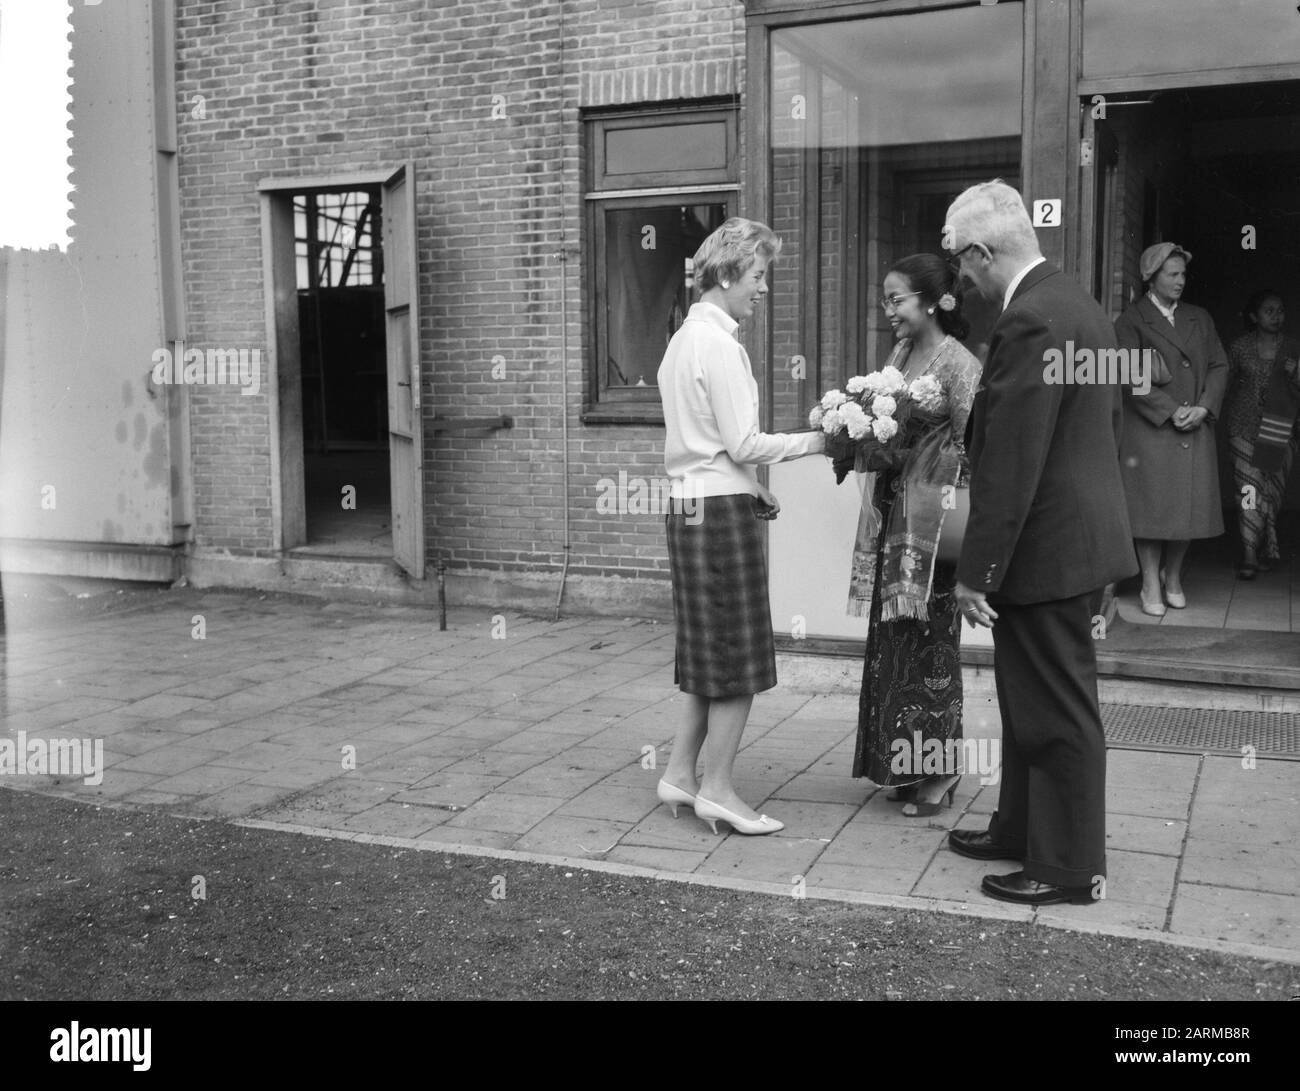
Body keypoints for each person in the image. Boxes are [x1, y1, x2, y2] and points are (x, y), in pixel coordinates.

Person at [944, 180, 1137, 906]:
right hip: (1074, 537)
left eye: (959, 262)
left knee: (1056, 710)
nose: (958, 279)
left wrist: (976, 573)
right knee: (1029, 700)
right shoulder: (1079, 305)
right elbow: (1100, 434)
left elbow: (1013, 461)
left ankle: (1065, 867)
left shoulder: (1028, 320)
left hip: (1046, 547)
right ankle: (1020, 827)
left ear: (981, 252)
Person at [656, 217, 825, 836]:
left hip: (689, 504)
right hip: (720, 516)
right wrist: (821, 439)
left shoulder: (681, 340)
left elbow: (699, 444)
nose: (762, 289)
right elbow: (743, 440)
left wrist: (747, 482)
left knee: (707, 652)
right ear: (727, 273)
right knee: (739, 659)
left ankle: (679, 772)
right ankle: (720, 789)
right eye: (757, 276)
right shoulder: (720, 345)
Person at [846, 254, 980, 816]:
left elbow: (978, 447)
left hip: (935, 525)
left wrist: (931, 466)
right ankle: (902, 764)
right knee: (894, 646)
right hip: (895, 519)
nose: (888, 311)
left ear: (932, 301)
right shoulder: (900, 356)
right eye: (885, 300)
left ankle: (940, 771)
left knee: (931, 649)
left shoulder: (961, 364)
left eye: (896, 299)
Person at [1114, 244, 1227, 615]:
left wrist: (1205, 407)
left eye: (1183, 274)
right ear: (1151, 276)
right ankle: (1150, 582)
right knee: (1152, 511)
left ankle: (1173, 577)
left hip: (1194, 425)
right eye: (1172, 274)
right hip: (1153, 429)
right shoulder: (1131, 320)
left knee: (1187, 510)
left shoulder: (1200, 317)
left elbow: (1218, 366)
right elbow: (1129, 376)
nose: (1180, 281)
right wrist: (1171, 410)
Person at [1224, 289, 1300, 578]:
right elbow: (1224, 382)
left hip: (1281, 431)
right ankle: (1249, 553)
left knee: (1271, 494)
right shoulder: (1239, 347)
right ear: (1254, 316)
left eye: (1280, 310)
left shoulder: (1294, 348)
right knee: (1248, 490)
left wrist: (1296, 374)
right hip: (1243, 428)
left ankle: (1266, 546)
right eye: (1269, 310)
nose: (1276, 316)